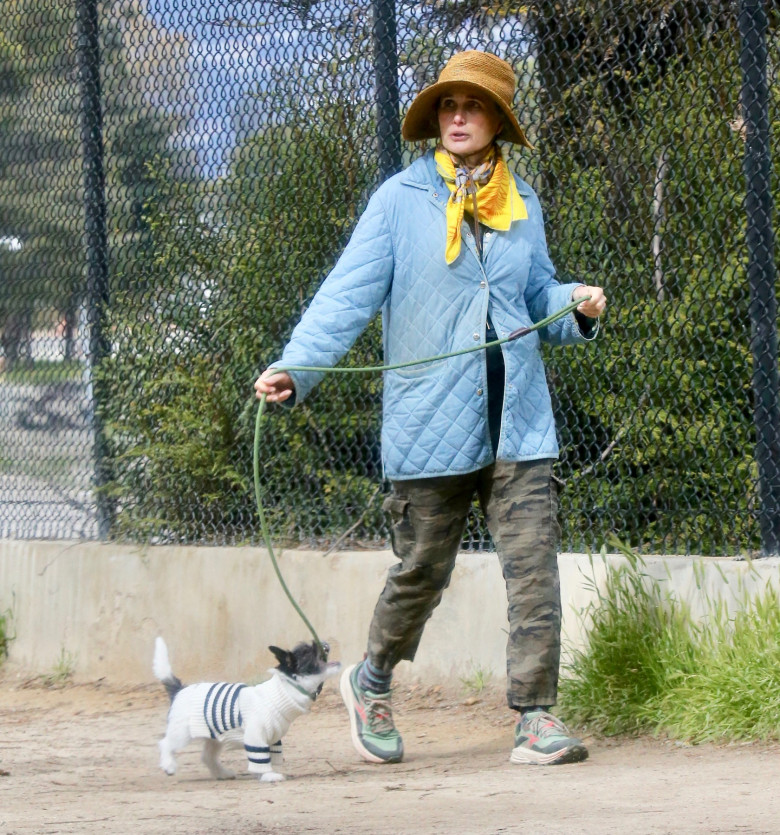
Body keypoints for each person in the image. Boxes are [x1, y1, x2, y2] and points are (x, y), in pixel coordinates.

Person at [255, 50, 607, 767]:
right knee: (423, 569)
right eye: (448, 106)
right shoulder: (398, 202)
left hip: (521, 423)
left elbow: (534, 294)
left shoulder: (523, 203)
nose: (456, 117)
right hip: (427, 424)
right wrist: (298, 368)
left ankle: (536, 717)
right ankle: (372, 678)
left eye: (471, 107)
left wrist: (574, 305)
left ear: (496, 122)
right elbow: (345, 295)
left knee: (534, 569)